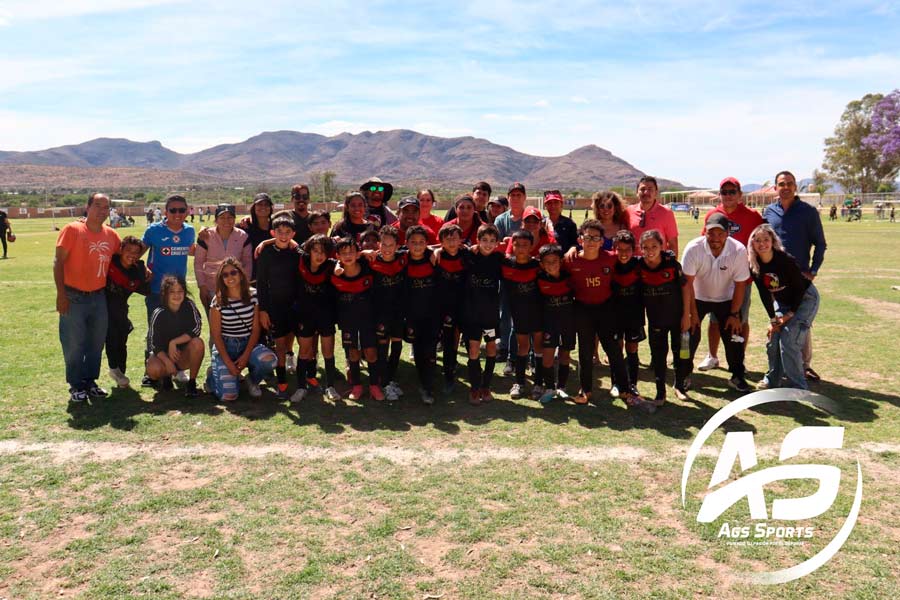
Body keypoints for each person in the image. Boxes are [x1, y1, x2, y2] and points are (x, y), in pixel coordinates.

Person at [54, 192, 121, 403]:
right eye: (98, 205)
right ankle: (76, 385)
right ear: (88, 207)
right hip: (73, 296)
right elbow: (58, 262)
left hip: (99, 297)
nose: (102, 210)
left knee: (95, 343)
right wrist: (61, 294)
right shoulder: (72, 230)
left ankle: (90, 381)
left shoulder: (111, 235)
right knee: (74, 343)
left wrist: (142, 270)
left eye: (106, 207)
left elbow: (124, 258)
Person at [568, 219, 643, 407]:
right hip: (583, 309)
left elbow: (632, 258)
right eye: (587, 237)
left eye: (596, 238)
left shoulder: (610, 258)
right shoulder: (570, 260)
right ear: (580, 240)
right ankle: (585, 390)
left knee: (613, 350)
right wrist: (569, 249)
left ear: (602, 241)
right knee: (585, 351)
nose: (591, 241)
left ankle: (624, 388)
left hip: (605, 309)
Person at [762, 170, 827, 382]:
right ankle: (779, 372)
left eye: (790, 183)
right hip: (778, 282)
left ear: (795, 187)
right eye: (782, 184)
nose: (786, 187)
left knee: (799, 325)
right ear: (776, 187)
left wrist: (814, 270)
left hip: (800, 279)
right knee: (781, 325)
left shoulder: (808, 212)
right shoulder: (769, 212)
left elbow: (820, 244)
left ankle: (803, 366)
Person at [697, 177, 763, 373]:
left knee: (739, 320)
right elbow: (703, 242)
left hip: (742, 278)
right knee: (715, 320)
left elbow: (761, 241)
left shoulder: (752, 216)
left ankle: (738, 359)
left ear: (740, 194)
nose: (728, 196)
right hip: (716, 278)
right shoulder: (713, 214)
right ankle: (712, 356)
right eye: (724, 192)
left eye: (732, 192)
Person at [681, 213, 752, 395]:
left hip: (726, 299)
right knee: (687, 337)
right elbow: (687, 284)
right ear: (705, 232)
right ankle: (683, 374)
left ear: (728, 234)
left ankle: (737, 375)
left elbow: (740, 284)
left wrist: (735, 314)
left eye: (720, 234)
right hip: (697, 297)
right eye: (711, 233)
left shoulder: (738, 250)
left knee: (735, 336)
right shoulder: (693, 248)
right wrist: (692, 313)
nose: (715, 238)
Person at [748, 224, 820, 390]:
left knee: (788, 339)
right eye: (757, 240)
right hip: (783, 302)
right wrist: (773, 320)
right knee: (774, 336)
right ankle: (772, 379)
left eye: (766, 239)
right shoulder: (754, 264)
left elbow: (800, 289)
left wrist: (789, 315)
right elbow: (765, 294)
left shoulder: (785, 260)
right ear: (752, 244)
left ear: (772, 241)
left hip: (805, 299)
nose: (762, 244)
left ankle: (798, 386)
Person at [140, 194, 196, 386]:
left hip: (179, 293)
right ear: (166, 212)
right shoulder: (154, 230)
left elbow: (194, 250)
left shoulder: (189, 231)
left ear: (188, 211)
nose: (177, 214)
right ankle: (150, 371)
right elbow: (136, 254)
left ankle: (179, 368)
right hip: (156, 291)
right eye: (173, 210)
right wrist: (144, 268)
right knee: (155, 331)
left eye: (182, 210)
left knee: (179, 329)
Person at [204, 258, 276, 401]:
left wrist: (245, 356)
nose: (230, 277)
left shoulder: (253, 295)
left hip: (246, 344)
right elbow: (216, 335)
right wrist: (229, 363)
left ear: (240, 274)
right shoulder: (217, 301)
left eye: (233, 272)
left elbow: (256, 329)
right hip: (225, 346)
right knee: (229, 396)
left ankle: (252, 380)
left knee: (270, 360)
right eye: (225, 275)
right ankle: (213, 377)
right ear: (221, 279)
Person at [638, 230, 692, 410]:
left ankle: (680, 386)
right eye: (645, 247)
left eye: (654, 246)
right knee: (658, 357)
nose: (650, 250)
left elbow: (685, 288)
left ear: (662, 246)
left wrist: (687, 315)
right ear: (641, 249)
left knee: (681, 354)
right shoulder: (639, 267)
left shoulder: (671, 264)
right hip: (656, 321)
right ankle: (660, 392)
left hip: (677, 318)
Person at [255, 211, 301, 400]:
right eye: (279, 231)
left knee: (296, 340)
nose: (283, 235)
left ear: (293, 234)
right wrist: (263, 309)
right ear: (273, 233)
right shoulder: (265, 252)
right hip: (274, 305)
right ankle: (281, 382)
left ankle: (306, 379)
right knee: (279, 345)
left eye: (287, 231)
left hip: (295, 305)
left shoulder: (297, 252)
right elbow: (261, 283)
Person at [332, 236, 381, 401]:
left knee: (371, 353)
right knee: (353, 354)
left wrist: (365, 252)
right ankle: (357, 387)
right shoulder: (334, 272)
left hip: (368, 320)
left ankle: (374, 386)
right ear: (337, 256)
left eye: (351, 252)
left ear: (358, 253)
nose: (348, 256)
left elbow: (384, 252)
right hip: (348, 321)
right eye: (343, 253)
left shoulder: (367, 266)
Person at [461, 224, 504, 405]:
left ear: (497, 243)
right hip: (472, 314)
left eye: (492, 241)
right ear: (477, 241)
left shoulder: (499, 259)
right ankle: (474, 388)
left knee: (491, 348)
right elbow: (449, 248)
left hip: (490, 315)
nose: (488, 244)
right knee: (473, 350)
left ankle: (486, 386)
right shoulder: (468, 256)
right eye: (484, 240)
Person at [297, 234, 341, 402]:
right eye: (315, 251)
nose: (319, 255)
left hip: (326, 315)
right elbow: (291, 242)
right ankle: (301, 387)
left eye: (323, 251)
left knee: (327, 351)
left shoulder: (332, 266)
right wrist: (267, 241)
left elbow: (349, 257)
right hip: (305, 315)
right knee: (304, 351)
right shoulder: (301, 261)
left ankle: (330, 386)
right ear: (309, 250)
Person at [502, 230, 545, 400]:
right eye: (517, 244)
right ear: (512, 245)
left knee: (538, 348)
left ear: (531, 247)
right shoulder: (506, 264)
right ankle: (519, 383)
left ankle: (538, 384)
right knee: (522, 347)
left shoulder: (537, 265)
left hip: (537, 313)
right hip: (518, 314)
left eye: (525, 245)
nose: (520, 248)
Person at [145, 276, 205, 397]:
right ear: (165, 294)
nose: (176, 295)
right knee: (153, 369)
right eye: (172, 292)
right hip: (164, 356)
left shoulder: (189, 305)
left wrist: (174, 342)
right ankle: (165, 376)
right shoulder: (159, 312)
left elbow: (196, 328)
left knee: (198, 343)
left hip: (182, 355)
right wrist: (167, 361)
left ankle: (192, 383)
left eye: (180, 291)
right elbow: (152, 343)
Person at [367, 226, 408, 402]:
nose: (387, 248)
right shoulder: (372, 260)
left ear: (397, 246)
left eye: (391, 245)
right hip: (380, 312)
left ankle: (390, 379)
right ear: (378, 244)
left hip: (398, 311)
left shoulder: (402, 259)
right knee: (382, 346)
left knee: (397, 345)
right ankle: (382, 382)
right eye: (384, 244)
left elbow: (429, 248)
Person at [105, 236, 151, 389]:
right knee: (111, 338)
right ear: (120, 250)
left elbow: (145, 289)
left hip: (121, 310)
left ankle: (120, 374)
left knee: (122, 342)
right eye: (128, 250)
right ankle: (114, 369)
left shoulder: (137, 270)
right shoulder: (109, 261)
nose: (132, 254)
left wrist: (147, 274)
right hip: (102, 309)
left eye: (136, 252)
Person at [403, 225, 441, 405]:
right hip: (412, 314)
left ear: (427, 243)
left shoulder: (433, 259)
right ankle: (421, 381)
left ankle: (428, 386)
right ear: (406, 243)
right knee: (418, 349)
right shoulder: (402, 259)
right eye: (413, 242)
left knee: (430, 349)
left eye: (421, 242)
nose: (417, 246)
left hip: (432, 313)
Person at [194, 204, 252, 313]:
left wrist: (245, 284)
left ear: (234, 219)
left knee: (233, 323)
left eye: (230, 217)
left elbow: (248, 262)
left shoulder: (243, 236)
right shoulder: (206, 236)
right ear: (216, 220)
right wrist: (202, 286)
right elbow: (198, 262)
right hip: (212, 288)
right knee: (214, 325)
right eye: (222, 217)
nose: (226, 221)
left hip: (236, 288)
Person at [536, 244, 575, 403]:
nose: (551, 265)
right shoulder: (539, 279)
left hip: (568, 322)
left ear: (561, 261)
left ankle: (562, 387)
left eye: (555, 261)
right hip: (549, 324)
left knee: (565, 354)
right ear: (542, 264)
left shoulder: (569, 277)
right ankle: (550, 387)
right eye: (547, 262)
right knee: (548, 357)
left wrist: (572, 247)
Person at [495, 182, 527, 367]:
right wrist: (505, 244)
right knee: (504, 313)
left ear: (524, 197)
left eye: (519, 195)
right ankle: (505, 347)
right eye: (512, 195)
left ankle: (522, 351)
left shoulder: (530, 217)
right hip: (506, 274)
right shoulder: (501, 220)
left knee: (521, 315)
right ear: (508, 198)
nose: (515, 198)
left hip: (526, 274)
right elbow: (494, 244)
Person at [610, 230, 644, 396]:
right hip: (614, 315)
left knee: (632, 348)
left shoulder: (640, 264)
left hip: (634, 314)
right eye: (620, 250)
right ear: (614, 248)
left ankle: (632, 383)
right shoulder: (610, 264)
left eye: (627, 250)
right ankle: (616, 383)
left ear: (634, 249)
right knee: (616, 349)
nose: (623, 254)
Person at [434, 224, 467, 393]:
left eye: (455, 237)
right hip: (442, 306)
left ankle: (462, 369)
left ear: (460, 239)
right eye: (447, 239)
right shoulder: (437, 256)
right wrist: (435, 250)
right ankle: (447, 374)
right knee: (445, 340)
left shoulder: (467, 254)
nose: (452, 242)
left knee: (460, 338)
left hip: (463, 305)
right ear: (441, 242)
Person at [626, 176, 678, 257]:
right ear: (637, 192)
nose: (646, 192)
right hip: (634, 266)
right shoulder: (628, 211)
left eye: (650, 189)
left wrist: (671, 267)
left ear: (656, 192)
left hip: (657, 267)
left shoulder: (666, 213)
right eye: (642, 189)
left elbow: (673, 245)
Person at [238, 193, 274, 281]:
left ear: (271, 208)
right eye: (260, 204)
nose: (263, 207)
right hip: (251, 276)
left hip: (272, 276)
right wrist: (205, 229)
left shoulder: (276, 226)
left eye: (266, 205)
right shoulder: (245, 226)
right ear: (254, 207)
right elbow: (225, 229)